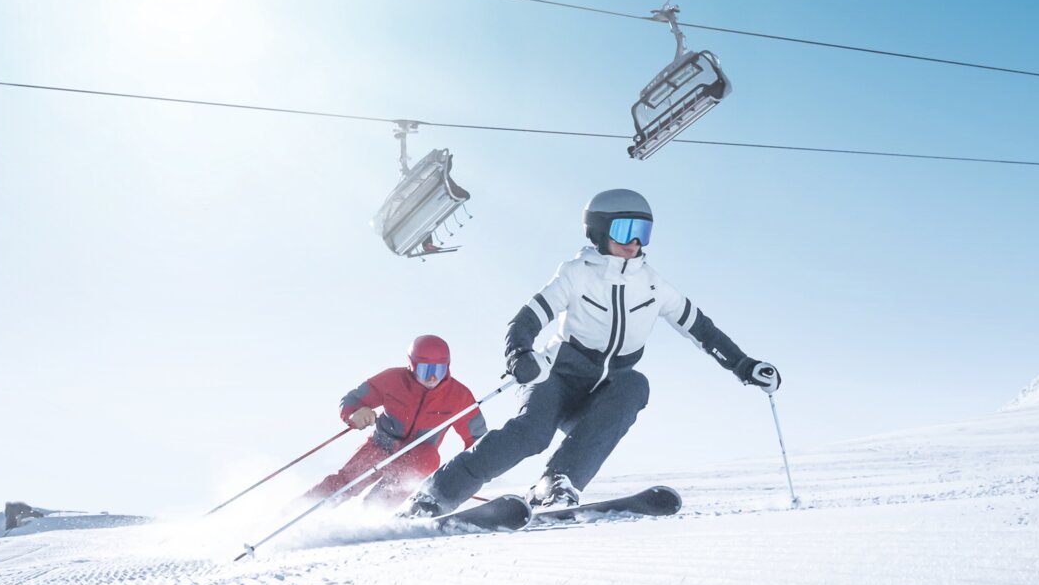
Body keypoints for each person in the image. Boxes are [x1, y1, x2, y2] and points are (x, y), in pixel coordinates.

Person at [403, 189, 778, 516]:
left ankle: (556, 483)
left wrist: (745, 366)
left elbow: (702, 329)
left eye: (642, 231)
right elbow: (528, 318)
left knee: (635, 384)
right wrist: (520, 353)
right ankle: (435, 496)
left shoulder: (652, 285)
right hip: (557, 379)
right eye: (623, 230)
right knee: (531, 434)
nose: (634, 242)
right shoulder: (576, 273)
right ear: (599, 232)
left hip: (602, 395)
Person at [303, 335, 487, 508]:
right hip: (381, 446)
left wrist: (467, 474)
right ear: (412, 365)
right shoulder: (392, 380)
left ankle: (375, 512)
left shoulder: (459, 396)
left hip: (417, 457)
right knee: (347, 482)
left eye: (439, 370)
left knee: (427, 459)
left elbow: (478, 439)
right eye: (426, 370)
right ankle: (300, 509)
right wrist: (354, 414)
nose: (432, 378)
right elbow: (352, 400)